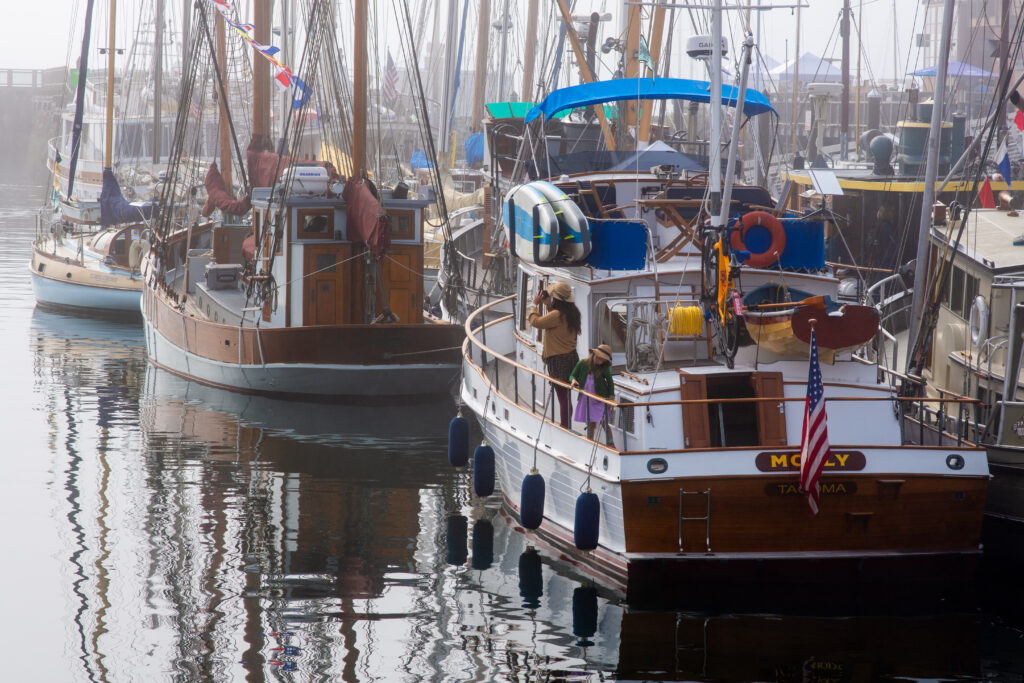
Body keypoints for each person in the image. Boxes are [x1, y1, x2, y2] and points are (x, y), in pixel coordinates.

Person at [528, 280, 582, 428]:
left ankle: (565, 426)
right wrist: (546, 303)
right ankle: (567, 424)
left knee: (562, 397)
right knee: (566, 396)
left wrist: (534, 304)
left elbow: (536, 322)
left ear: (557, 299)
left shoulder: (557, 315)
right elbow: (553, 317)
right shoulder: (572, 312)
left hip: (558, 361)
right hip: (571, 357)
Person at [570, 344, 615, 445]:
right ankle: (590, 442)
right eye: (597, 356)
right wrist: (573, 380)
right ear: (593, 354)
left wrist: (611, 397)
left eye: (601, 359)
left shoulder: (604, 368)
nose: (598, 359)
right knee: (591, 423)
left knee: (604, 422)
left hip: (599, 398)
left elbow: (610, 382)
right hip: (587, 398)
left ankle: (611, 443)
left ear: (605, 361)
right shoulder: (583, 363)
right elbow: (572, 375)